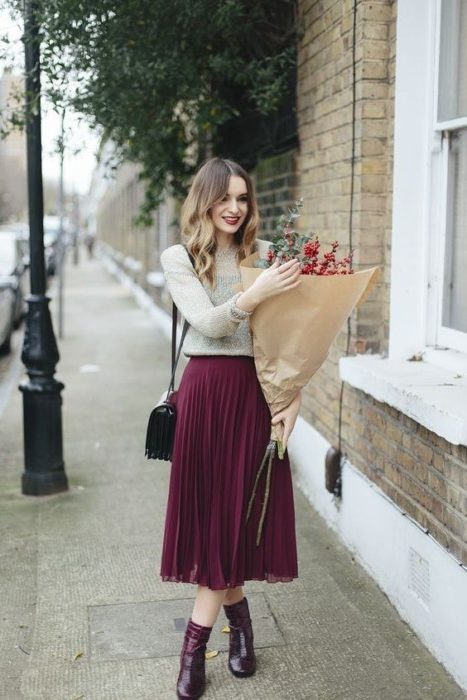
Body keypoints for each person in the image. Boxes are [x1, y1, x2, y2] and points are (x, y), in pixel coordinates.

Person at [159, 157, 302, 699]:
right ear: (206, 200)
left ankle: (229, 636)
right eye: (225, 199)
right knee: (215, 517)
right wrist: (257, 292)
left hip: (255, 397)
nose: (235, 208)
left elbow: (294, 341)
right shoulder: (180, 258)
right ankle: (209, 644)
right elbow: (209, 324)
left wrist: (293, 402)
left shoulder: (264, 257)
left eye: (243, 198)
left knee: (239, 515)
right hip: (205, 395)